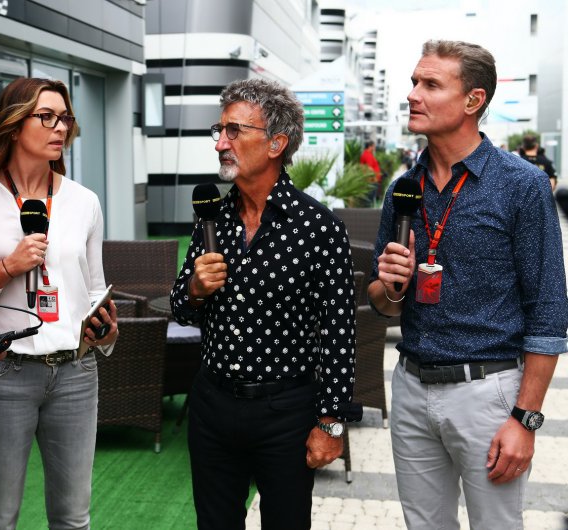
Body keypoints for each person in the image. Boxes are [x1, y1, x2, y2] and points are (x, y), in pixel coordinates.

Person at [368, 40, 568, 529]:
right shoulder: (402, 189)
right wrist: (393, 286)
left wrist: (525, 419)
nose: (413, 94)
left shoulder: (521, 184)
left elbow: (548, 311)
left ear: (473, 100)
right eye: (414, 82)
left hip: (488, 392)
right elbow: (383, 304)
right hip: (411, 386)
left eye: (430, 84)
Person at [170, 78, 358, 529]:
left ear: (276, 143)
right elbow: (181, 308)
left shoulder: (319, 227)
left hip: (286, 412)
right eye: (219, 131)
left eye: (234, 131)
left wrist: (331, 423)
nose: (221, 143)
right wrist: (195, 289)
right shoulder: (212, 218)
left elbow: (339, 333)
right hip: (213, 405)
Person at [0, 77, 119, 530]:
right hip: (3, 373)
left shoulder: (84, 202)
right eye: (46, 117)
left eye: (65, 118)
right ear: (14, 125)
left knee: (72, 519)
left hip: (76, 373)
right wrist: (7, 268)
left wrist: (106, 330)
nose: (60, 128)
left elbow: (94, 289)